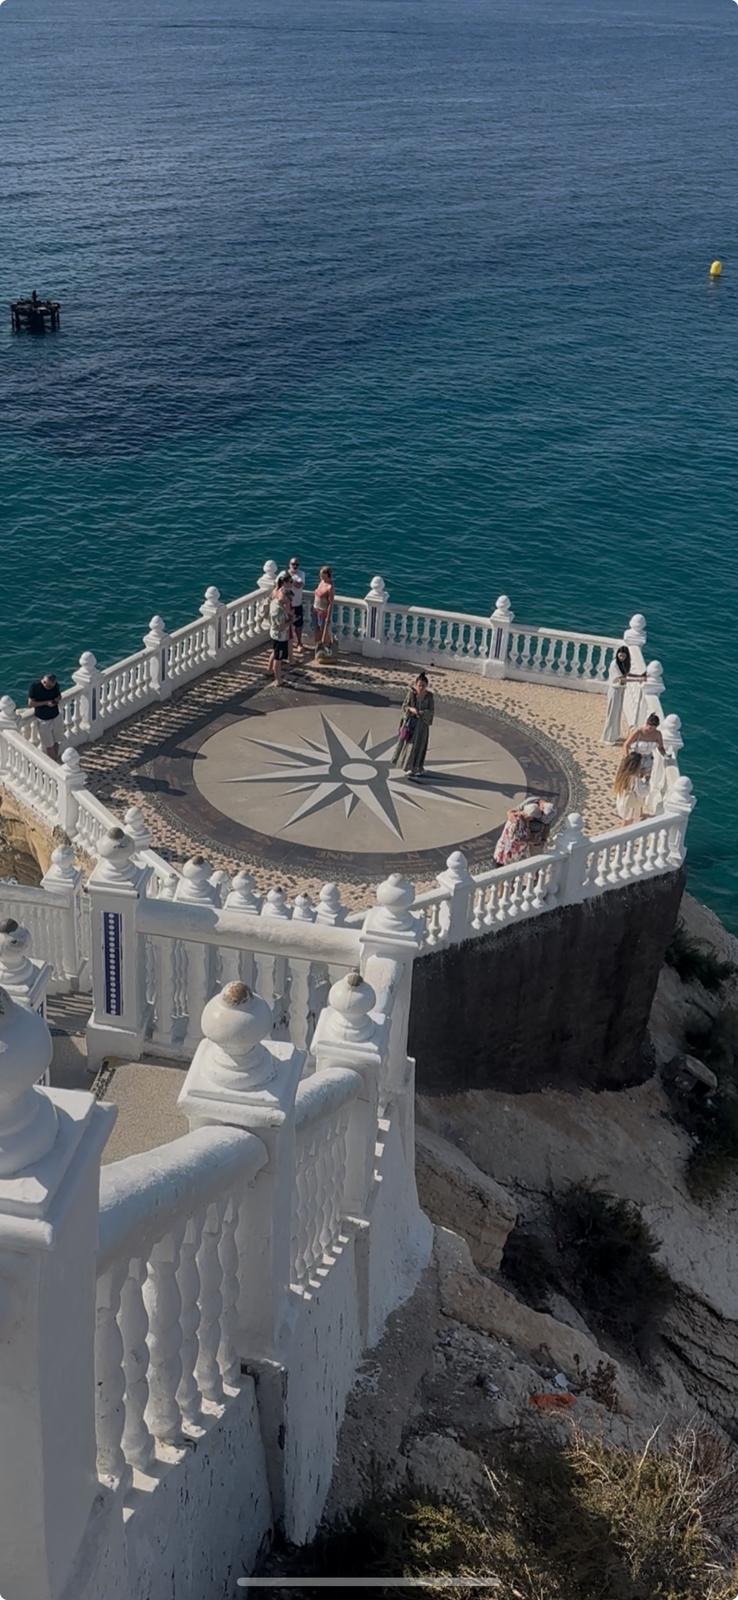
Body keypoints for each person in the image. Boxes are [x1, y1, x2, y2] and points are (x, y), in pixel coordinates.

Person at [390, 672, 435, 781]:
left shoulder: (429, 697)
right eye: (419, 685)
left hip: (422, 727)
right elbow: (404, 707)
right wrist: (411, 709)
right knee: (410, 746)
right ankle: (408, 767)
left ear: (426, 685)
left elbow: (431, 711)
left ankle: (418, 767)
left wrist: (421, 713)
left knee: (420, 746)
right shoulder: (411, 694)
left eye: (423, 685)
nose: (421, 687)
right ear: (416, 684)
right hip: (412, 726)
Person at [601, 647, 645, 744]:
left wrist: (640, 676)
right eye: (620, 655)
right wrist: (638, 680)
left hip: (620, 690)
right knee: (612, 714)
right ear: (617, 654)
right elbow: (622, 679)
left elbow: (626, 674)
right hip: (614, 691)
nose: (621, 657)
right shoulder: (614, 664)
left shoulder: (622, 664)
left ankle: (614, 735)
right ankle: (607, 738)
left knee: (617, 713)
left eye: (624, 656)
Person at [493, 797, 553, 866]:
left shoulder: (542, 817)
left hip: (513, 847)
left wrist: (541, 839)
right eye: (531, 818)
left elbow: (545, 829)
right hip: (509, 847)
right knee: (503, 861)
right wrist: (532, 840)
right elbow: (515, 838)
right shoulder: (517, 821)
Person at [28, 672, 63, 760]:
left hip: (56, 716)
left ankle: (55, 759)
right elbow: (30, 704)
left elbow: (59, 696)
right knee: (49, 745)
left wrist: (56, 700)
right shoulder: (35, 687)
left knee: (57, 741)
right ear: (43, 681)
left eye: (52, 686)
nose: (50, 688)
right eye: (48, 686)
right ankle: (54, 762)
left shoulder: (55, 685)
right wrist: (46, 703)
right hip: (43, 720)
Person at [267, 574, 292, 687]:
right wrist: (291, 620)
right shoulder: (280, 611)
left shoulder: (275, 603)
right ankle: (278, 680)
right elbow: (282, 627)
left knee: (275, 651)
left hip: (273, 633)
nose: (289, 602)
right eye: (289, 599)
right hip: (280, 635)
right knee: (278, 658)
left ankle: (269, 670)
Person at [313, 566, 335, 652]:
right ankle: (318, 646)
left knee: (324, 631)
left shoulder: (330, 587)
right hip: (315, 610)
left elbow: (330, 603)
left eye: (322, 574)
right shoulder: (321, 582)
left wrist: (328, 617)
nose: (320, 576)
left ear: (327, 575)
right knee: (316, 629)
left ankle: (328, 646)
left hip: (323, 612)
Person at [287, 556, 306, 654]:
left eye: (297, 564)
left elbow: (299, 585)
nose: (295, 566)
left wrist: (290, 580)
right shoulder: (284, 573)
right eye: (293, 564)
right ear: (289, 564)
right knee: (286, 624)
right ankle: (288, 643)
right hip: (287, 605)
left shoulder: (301, 574)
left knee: (298, 624)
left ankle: (299, 642)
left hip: (297, 603)